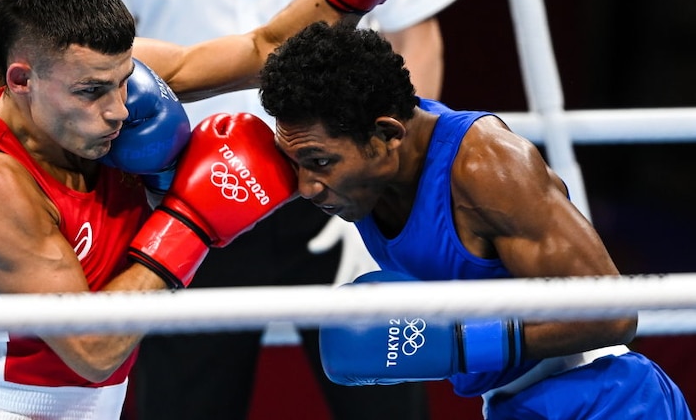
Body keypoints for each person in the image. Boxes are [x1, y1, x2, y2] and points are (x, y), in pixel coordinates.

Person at [0, 0, 498, 419]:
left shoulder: (106, 92)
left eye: (122, 79)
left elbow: (267, 46)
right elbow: (92, 349)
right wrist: (191, 220)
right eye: (91, 91)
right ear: (20, 81)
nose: (118, 109)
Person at [65, 0, 463, 417]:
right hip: (185, 190)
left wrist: (389, 186)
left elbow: (415, 35)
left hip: (344, 188)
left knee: (386, 400)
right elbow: (88, 53)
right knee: (185, 403)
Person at [257, 23, 694, 420]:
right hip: (516, 404)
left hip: (604, 399)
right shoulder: (364, 176)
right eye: (296, 163)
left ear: (387, 136)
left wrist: (458, 344)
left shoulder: (488, 167)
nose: (308, 186)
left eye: (319, 162)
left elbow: (612, 314)